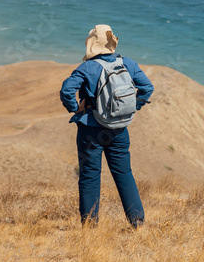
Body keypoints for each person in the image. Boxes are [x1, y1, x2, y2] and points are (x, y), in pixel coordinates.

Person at [59, 24, 153, 227]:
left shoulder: (87, 67)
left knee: (90, 175)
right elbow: (147, 87)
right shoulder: (127, 63)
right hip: (119, 128)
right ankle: (137, 222)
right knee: (124, 174)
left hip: (91, 129)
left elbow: (67, 90)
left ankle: (90, 226)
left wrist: (75, 107)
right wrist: (133, 107)